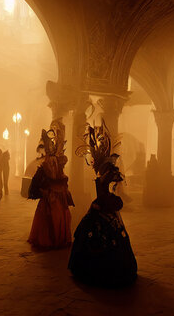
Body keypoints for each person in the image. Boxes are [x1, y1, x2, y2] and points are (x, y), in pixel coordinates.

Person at [69, 121, 137, 287]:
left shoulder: (108, 169)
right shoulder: (102, 170)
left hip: (104, 204)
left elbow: (115, 183)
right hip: (102, 204)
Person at [27, 119, 74, 249]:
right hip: (51, 192)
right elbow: (50, 173)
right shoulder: (48, 160)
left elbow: (58, 172)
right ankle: (51, 239)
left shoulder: (58, 159)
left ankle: (58, 238)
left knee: (60, 214)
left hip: (57, 191)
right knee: (52, 214)